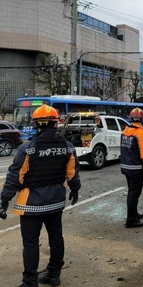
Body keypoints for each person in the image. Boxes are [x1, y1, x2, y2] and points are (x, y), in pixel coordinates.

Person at [0, 104, 81, 287]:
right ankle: (54, 274)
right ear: (56, 123)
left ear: (36, 125)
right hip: (56, 202)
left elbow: (16, 176)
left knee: (30, 243)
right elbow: (72, 173)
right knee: (56, 237)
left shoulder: (27, 149)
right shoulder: (67, 147)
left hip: (31, 204)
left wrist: (4, 200)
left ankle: (30, 282)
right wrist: (75, 190)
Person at [120, 107, 143, 228]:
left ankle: (133, 213)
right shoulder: (140, 134)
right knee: (134, 194)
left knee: (131, 192)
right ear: (142, 119)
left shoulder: (125, 131)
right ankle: (131, 220)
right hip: (136, 168)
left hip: (126, 167)